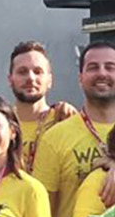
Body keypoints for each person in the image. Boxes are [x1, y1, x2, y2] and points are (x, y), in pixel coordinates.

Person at [32, 42, 115, 217]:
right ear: (81, 78)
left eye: (110, 67)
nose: (102, 73)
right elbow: (43, 215)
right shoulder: (56, 137)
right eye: (93, 67)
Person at [8, 40, 79, 171]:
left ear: (50, 80)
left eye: (38, 71)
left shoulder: (65, 119)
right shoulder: (0, 124)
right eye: (22, 72)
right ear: (10, 80)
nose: (31, 78)